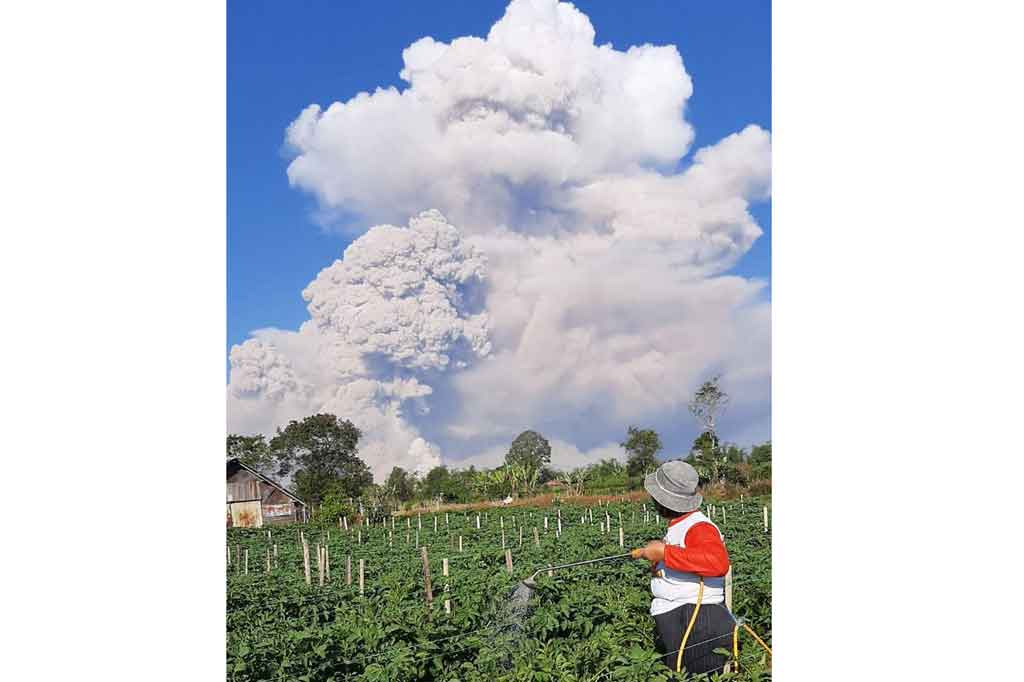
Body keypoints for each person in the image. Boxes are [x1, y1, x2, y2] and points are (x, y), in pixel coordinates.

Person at [634, 460, 734, 677]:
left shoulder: (700, 527)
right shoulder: (681, 525)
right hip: (685, 616)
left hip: (699, 620)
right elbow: (689, 559)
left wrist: (664, 553)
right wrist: (661, 565)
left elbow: (717, 562)